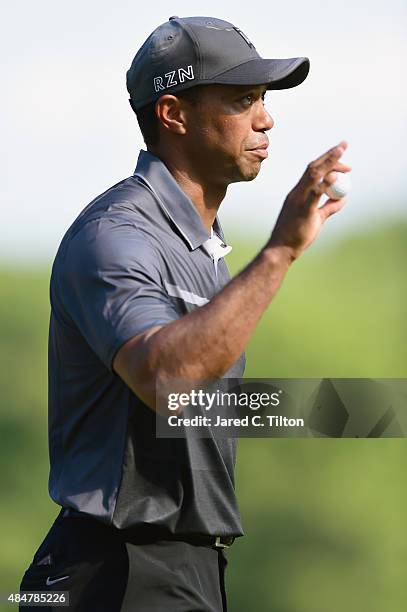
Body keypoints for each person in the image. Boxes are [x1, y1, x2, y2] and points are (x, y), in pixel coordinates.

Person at [19, 15, 351, 612]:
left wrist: (362, 412)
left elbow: (195, 409)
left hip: (179, 570)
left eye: (265, 99)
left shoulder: (198, 246)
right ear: (173, 114)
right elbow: (168, 382)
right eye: (244, 99)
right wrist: (279, 251)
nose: (266, 118)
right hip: (113, 572)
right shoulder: (116, 235)